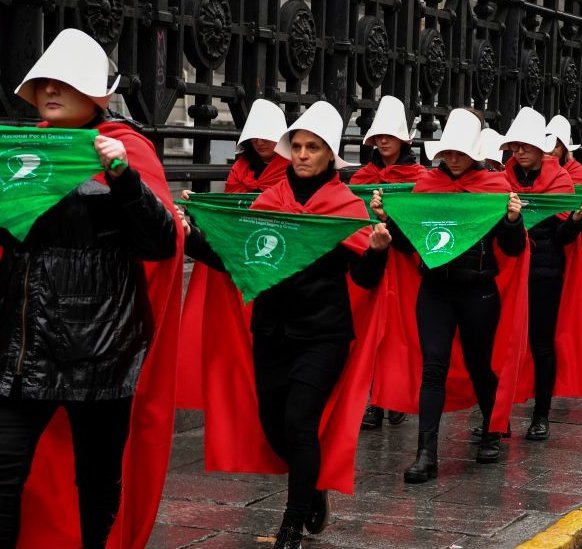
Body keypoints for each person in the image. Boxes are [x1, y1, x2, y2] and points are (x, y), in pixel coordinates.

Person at [0, 28, 182, 548]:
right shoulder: (22, 153)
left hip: (100, 355)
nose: (52, 90)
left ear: (94, 94)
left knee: (97, 486)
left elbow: (160, 242)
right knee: (4, 475)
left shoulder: (126, 151)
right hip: (23, 351)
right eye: (46, 82)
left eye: (66, 82)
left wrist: (123, 182)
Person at [185, 101, 391, 549]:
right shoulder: (269, 200)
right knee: (274, 426)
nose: (300, 154)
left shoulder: (345, 207)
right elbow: (240, 257)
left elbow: (363, 280)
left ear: (328, 154)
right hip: (272, 332)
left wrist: (376, 251)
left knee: (300, 422)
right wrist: (191, 237)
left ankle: (291, 526)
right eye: (296, 146)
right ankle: (311, 486)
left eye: (311, 147)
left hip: (323, 335)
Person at [370, 108, 526, 483]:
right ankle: (426, 454)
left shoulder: (496, 187)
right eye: (447, 151)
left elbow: (515, 249)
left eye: (460, 151)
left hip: (479, 290)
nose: (452, 158)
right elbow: (410, 247)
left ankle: (491, 430)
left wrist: (512, 221)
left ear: (473, 152)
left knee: (478, 365)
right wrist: (390, 220)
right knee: (433, 367)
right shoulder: (425, 188)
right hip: (436, 289)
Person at [176, 98, 288, 411]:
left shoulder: (292, 170)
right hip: (234, 263)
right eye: (257, 134)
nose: (262, 141)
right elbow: (228, 216)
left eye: (269, 134)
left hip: (270, 263)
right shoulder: (239, 170)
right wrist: (201, 209)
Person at [499, 107, 582, 439]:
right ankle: (498, 414)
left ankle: (541, 415)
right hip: (506, 272)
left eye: (525, 146)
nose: (519, 152)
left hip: (545, 273)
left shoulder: (560, 181)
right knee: (504, 343)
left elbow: (563, 238)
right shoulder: (501, 180)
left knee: (541, 345)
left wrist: (576, 221)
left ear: (540, 148)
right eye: (514, 146)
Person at [349, 95, 426, 430]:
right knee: (370, 328)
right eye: (378, 136)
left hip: (405, 263)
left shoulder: (420, 178)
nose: (382, 141)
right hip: (370, 258)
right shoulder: (361, 178)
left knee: (400, 331)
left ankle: (393, 396)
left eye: (388, 135)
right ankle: (375, 401)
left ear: (402, 139)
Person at [545, 114, 582, 183]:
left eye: (556, 146)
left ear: (564, 149)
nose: (550, 150)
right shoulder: (535, 167)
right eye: (547, 144)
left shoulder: (576, 171)